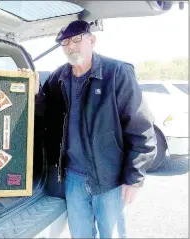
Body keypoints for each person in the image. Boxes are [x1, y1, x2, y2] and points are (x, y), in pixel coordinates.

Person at [34, 20, 157, 238]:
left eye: (76, 39)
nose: (70, 46)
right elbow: (45, 116)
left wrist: (134, 177)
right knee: (80, 234)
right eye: (65, 43)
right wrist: (35, 95)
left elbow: (141, 128)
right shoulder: (58, 78)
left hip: (111, 178)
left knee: (112, 234)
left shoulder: (117, 73)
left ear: (92, 40)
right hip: (73, 178)